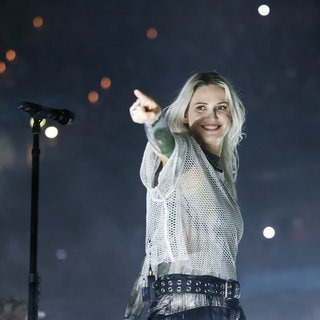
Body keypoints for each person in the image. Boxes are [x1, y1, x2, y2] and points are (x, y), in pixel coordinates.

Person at [124, 71, 246, 320]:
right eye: (201, 107)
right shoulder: (182, 155)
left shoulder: (224, 177)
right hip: (184, 310)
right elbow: (165, 146)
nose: (211, 116)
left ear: (232, 115)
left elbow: (152, 254)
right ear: (187, 115)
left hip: (226, 309)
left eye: (220, 107)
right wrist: (155, 121)